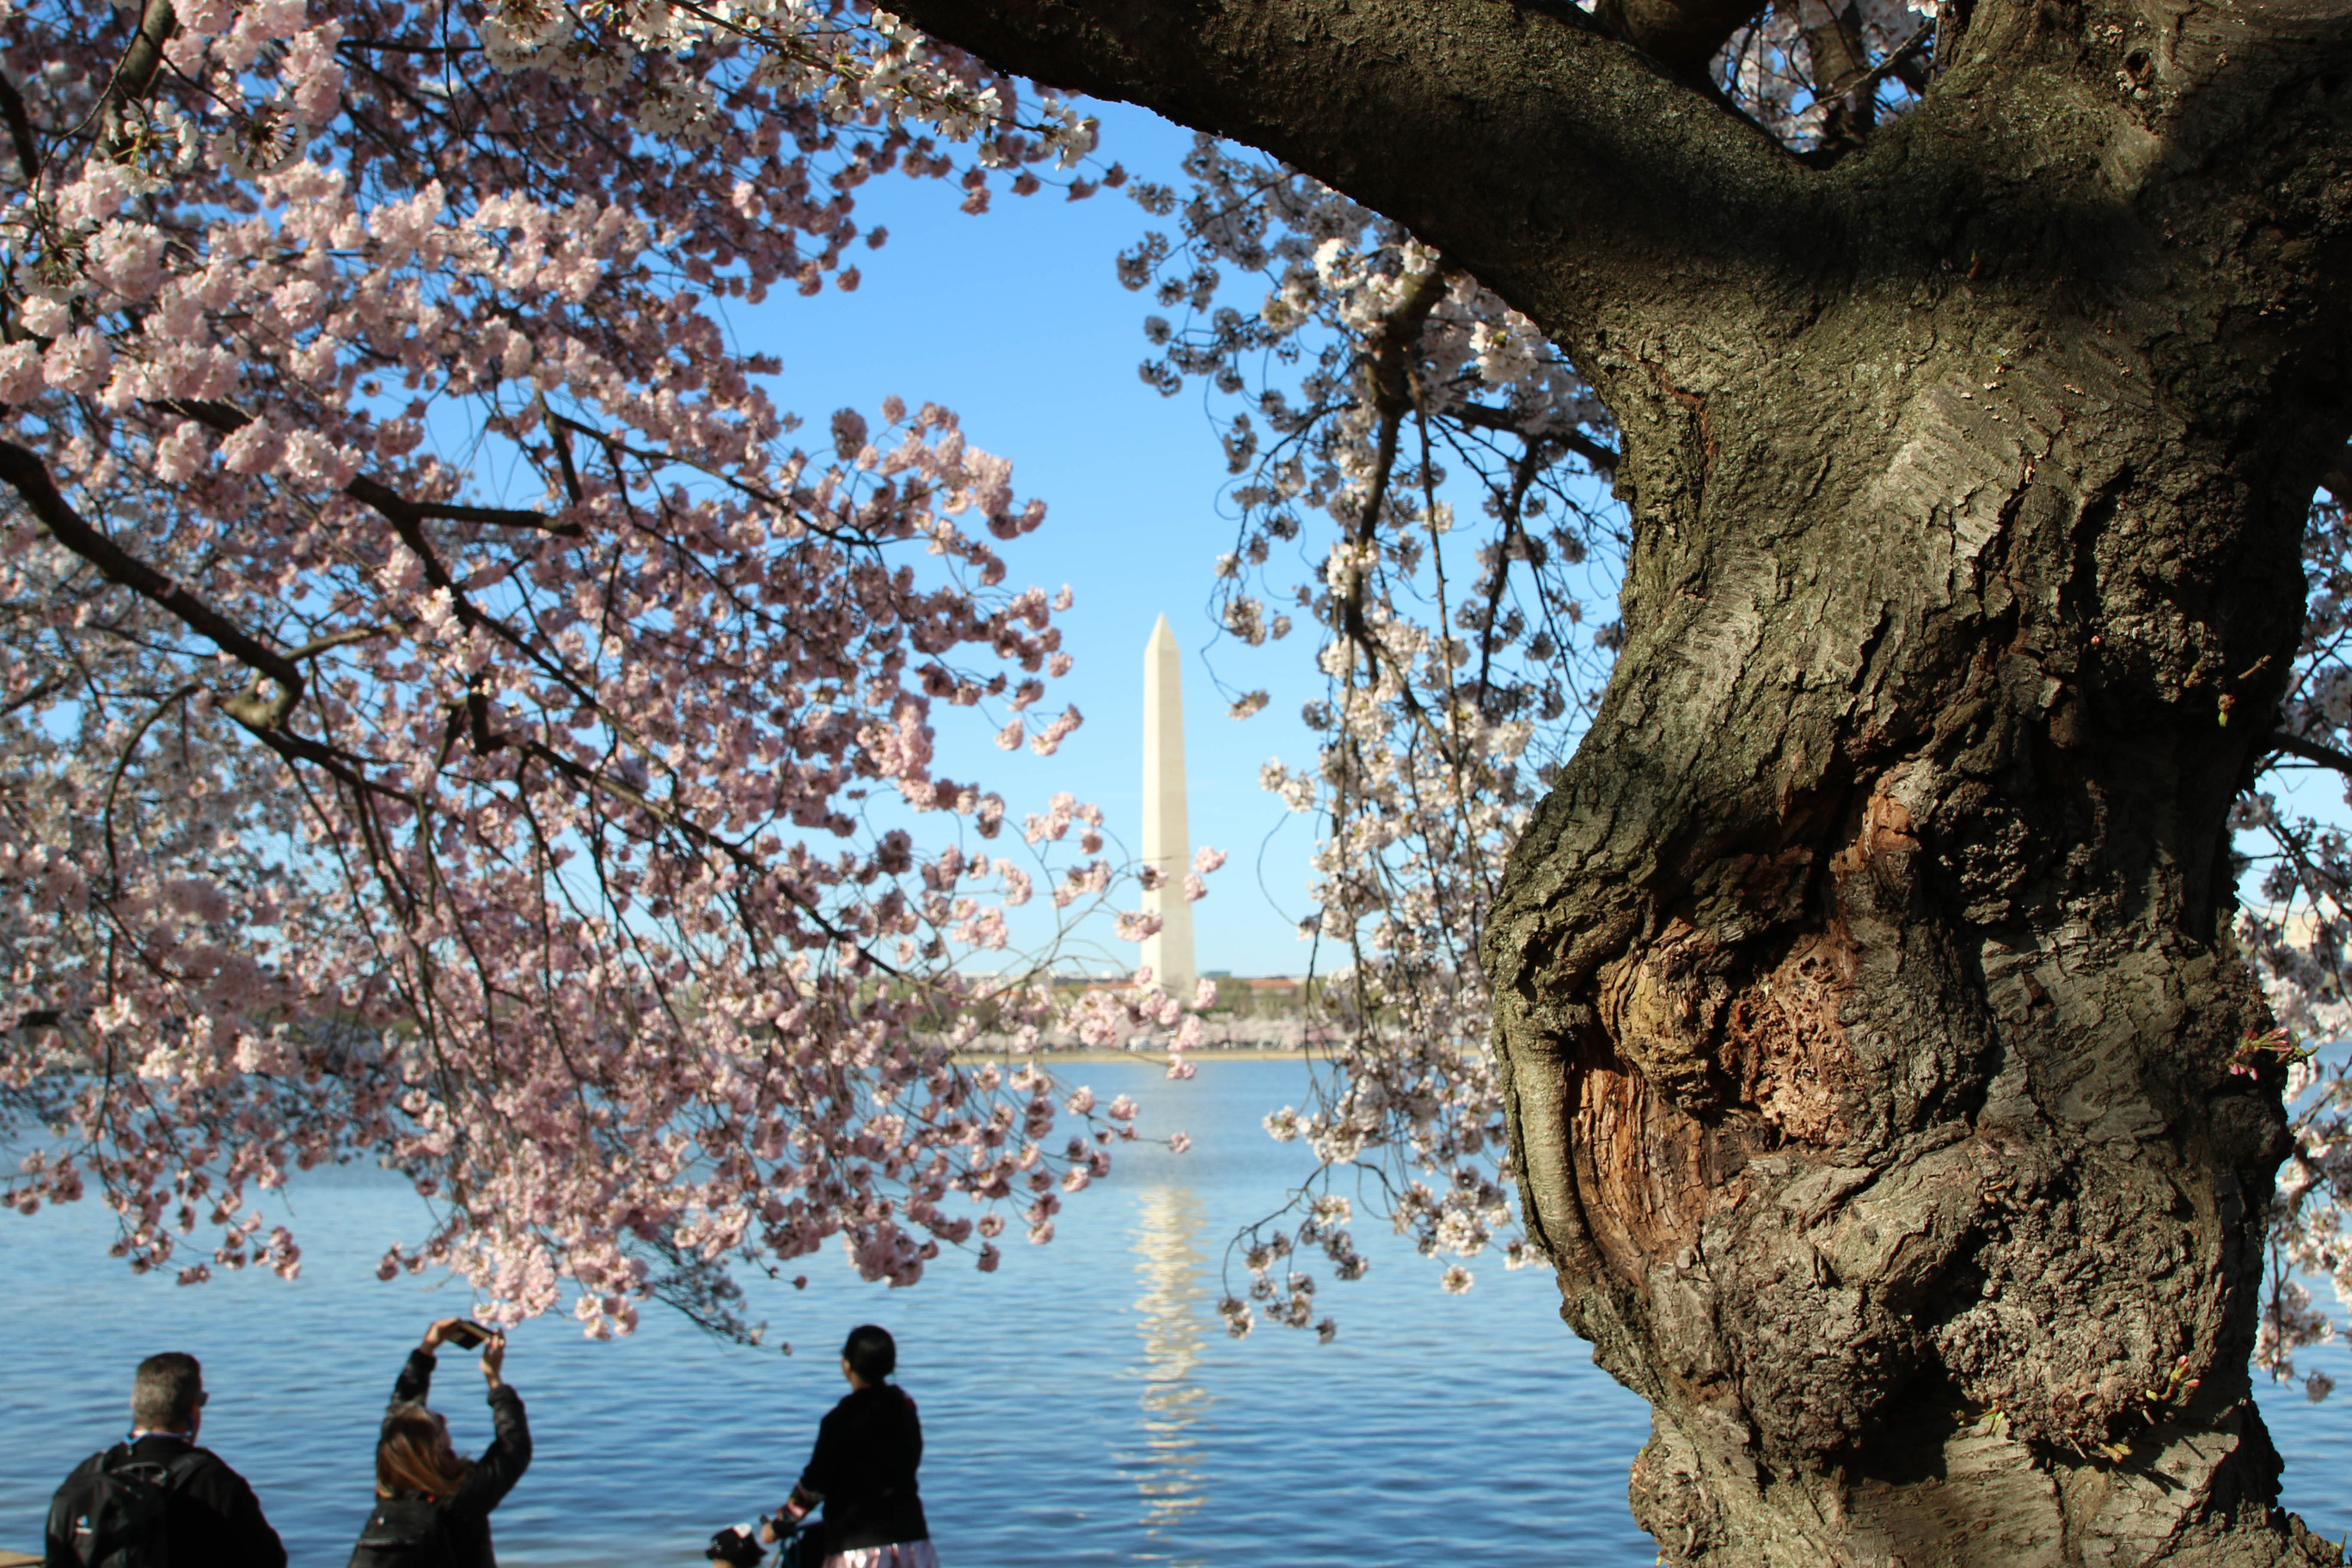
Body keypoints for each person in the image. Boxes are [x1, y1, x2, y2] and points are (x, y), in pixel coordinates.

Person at [45, 1351, 286, 1568]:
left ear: (133, 1405)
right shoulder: (216, 1482)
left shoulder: (89, 1472)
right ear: (193, 1408)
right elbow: (269, 1561)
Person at [346, 1318, 531, 1568]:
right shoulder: (460, 1496)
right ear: (436, 1447)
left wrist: (426, 1350)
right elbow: (513, 1445)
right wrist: (494, 1379)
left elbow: (399, 1416)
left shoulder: (390, 1487)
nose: (444, 1417)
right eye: (438, 1422)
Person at [759, 1326, 935, 1568]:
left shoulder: (839, 1421)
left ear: (847, 1365)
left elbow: (814, 1486)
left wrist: (780, 1524)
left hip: (857, 1550)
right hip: (913, 1543)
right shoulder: (906, 1409)